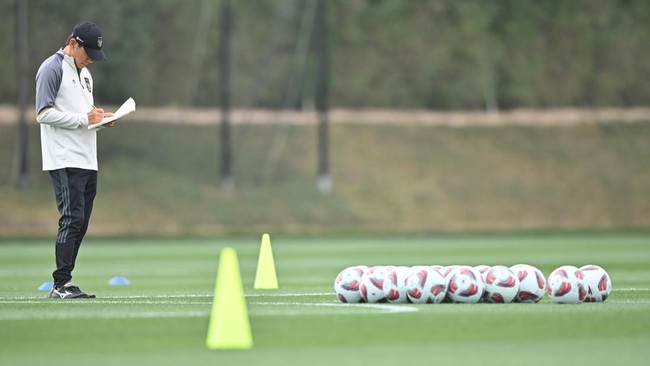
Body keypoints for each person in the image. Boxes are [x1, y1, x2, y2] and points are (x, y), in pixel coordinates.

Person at [35, 21, 114, 299]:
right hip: (64, 158)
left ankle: (65, 282)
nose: (91, 57)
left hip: (87, 159)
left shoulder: (86, 74)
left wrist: (100, 119)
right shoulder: (51, 68)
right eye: (87, 51)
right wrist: (84, 119)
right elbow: (43, 113)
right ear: (73, 44)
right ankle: (61, 284)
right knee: (72, 218)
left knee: (81, 221)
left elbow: (83, 114)